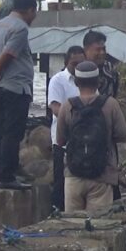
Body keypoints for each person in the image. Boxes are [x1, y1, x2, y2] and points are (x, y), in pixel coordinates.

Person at [0, 0, 39, 190]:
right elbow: (9, 53)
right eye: (35, 12)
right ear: (30, 10)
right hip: (15, 87)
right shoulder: (20, 28)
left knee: (1, 131)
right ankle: (6, 177)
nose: (34, 17)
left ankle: (5, 171)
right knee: (13, 133)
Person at [56, 61, 126, 212]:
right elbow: (123, 135)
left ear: (76, 82)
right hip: (102, 175)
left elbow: (60, 140)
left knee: (72, 226)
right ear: (98, 82)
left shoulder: (67, 106)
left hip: (73, 174)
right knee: (97, 226)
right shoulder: (110, 104)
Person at [47, 45, 85, 210]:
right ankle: (57, 213)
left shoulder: (87, 80)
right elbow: (55, 108)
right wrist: (77, 121)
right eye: (74, 64)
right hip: (62, 140)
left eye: (80, 63)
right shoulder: (58, 80)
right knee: (60, 181)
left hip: (83, 140)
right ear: (67, 62)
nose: (77, 67)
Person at [83, 30, 120, 99]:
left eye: (104, 49)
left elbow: (114, 95)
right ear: (86, 50)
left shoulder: (110, 70)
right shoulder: (76, 70)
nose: (102, 53)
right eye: (98, 49)